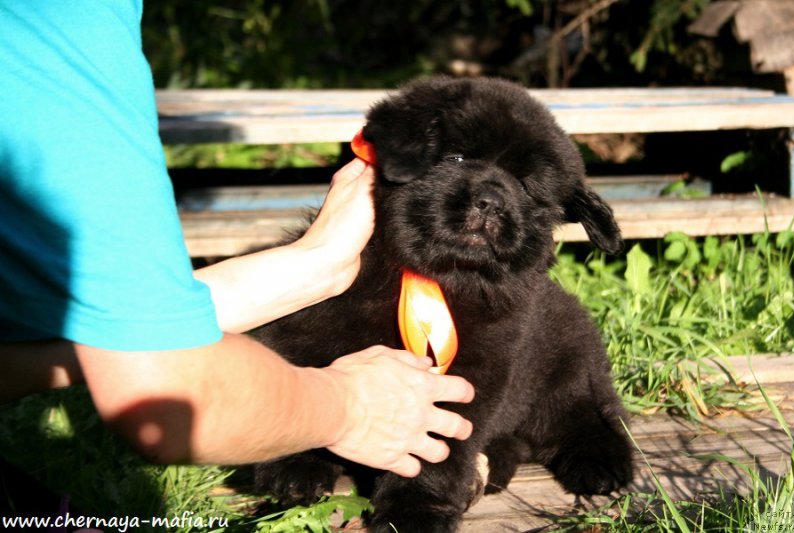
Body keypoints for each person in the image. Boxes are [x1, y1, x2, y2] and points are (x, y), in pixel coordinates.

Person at [0, 0, 474, 481]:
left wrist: (318, 261)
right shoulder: (57, 29)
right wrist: (351, 407)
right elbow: (170, 397)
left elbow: (118, 345)